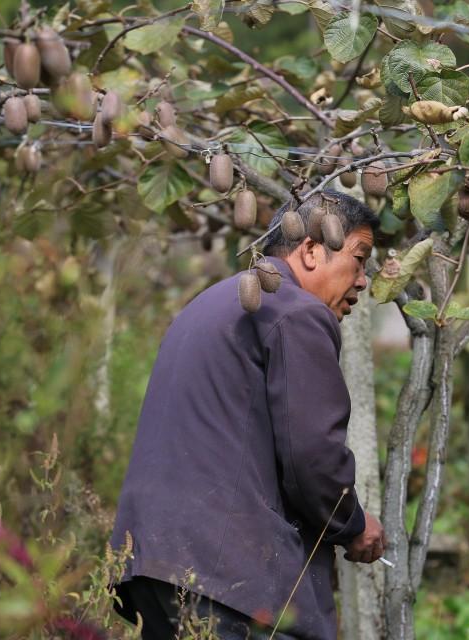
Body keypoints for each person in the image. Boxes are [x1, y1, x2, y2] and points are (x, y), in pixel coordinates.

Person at [109, 190, 386, 640]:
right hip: (227, 576)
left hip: (150, 562)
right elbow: (313, 457)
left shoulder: (206, 304)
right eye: (359, 258)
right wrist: (353, 523)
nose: (363, 281)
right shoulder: (298, 313)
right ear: (312, 250)